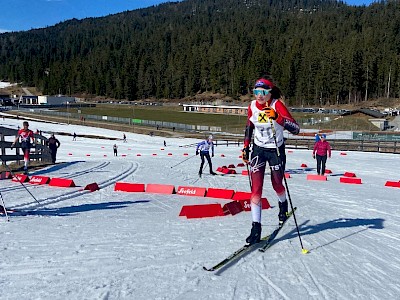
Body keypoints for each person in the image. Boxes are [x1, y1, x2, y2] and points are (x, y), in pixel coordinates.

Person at [241, 76, 300, 245]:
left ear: (270, 92)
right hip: (258, 149)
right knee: (256, 188)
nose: (259, 95)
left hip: (276, 149)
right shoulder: (252, 106)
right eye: (256, 92)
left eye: (263, 92)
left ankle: (283, 205)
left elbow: (296, 129)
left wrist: (277, 117)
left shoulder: (277, 105)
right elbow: (249, 126)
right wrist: (246, 147)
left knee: (277, 184)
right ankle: (256, 228)